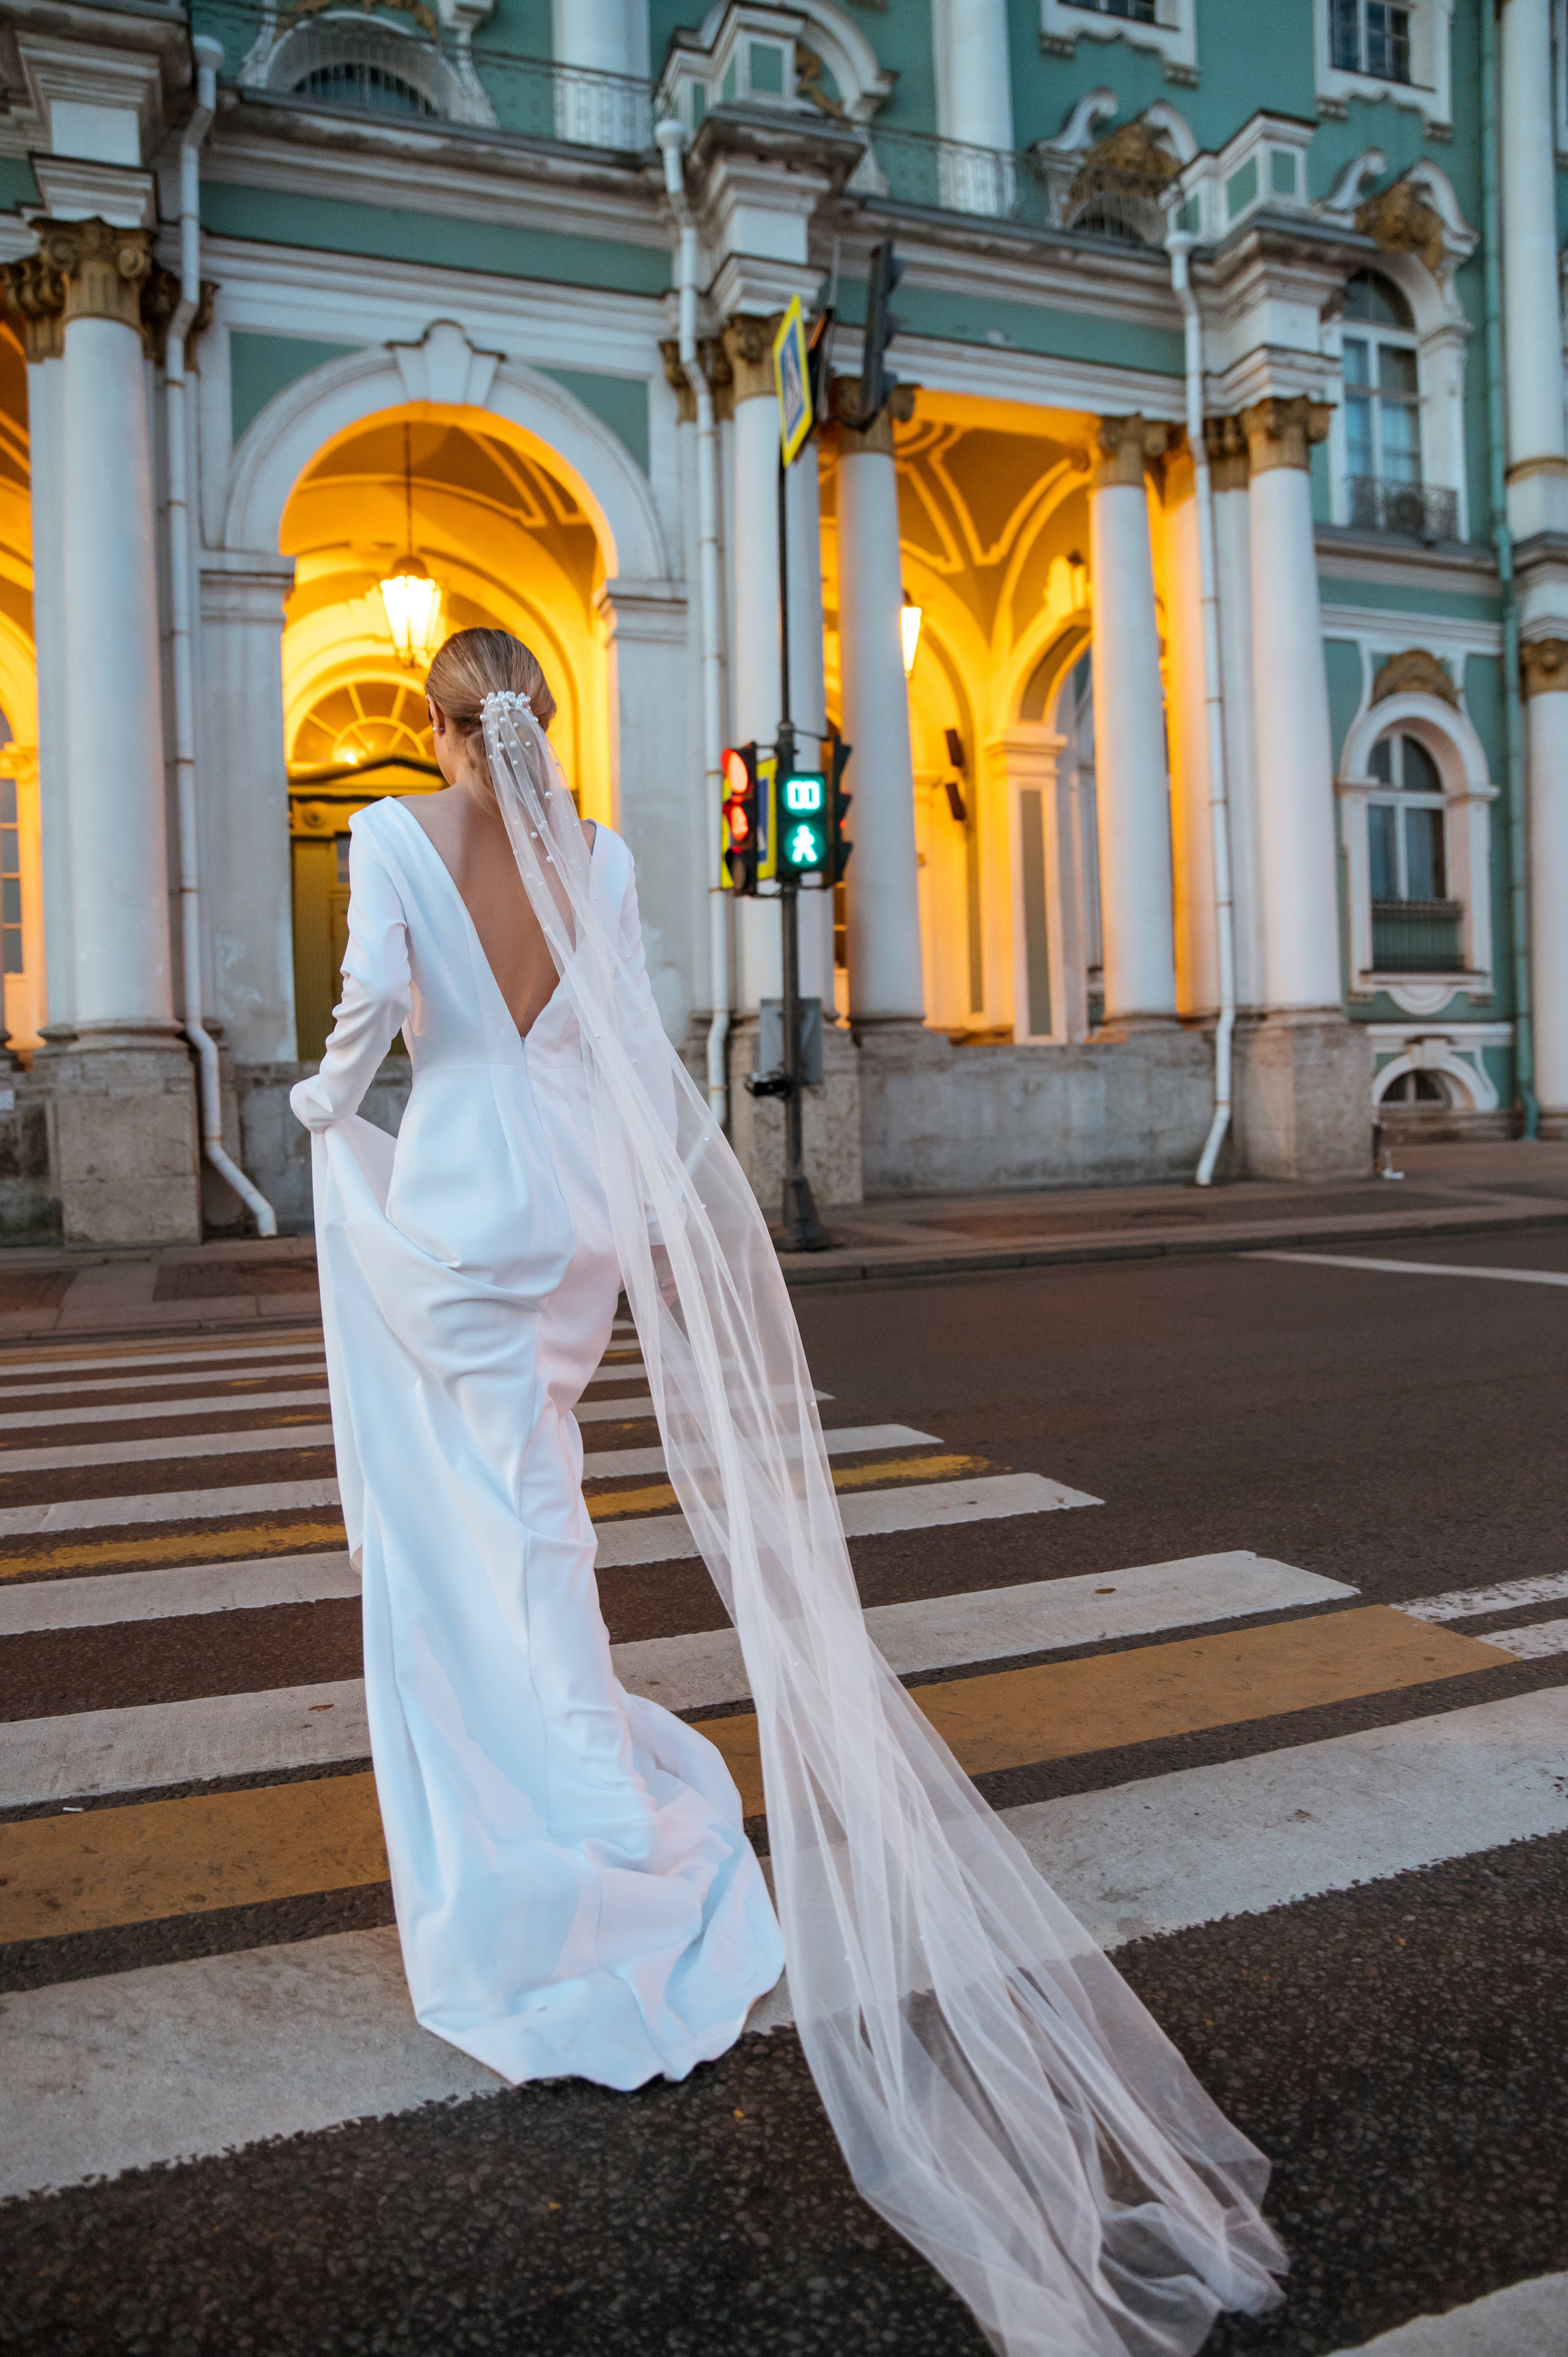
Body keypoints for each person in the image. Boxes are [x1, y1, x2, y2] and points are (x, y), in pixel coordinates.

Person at [294, 626, 1287, 2357]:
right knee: (536, 1492)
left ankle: (583, 1803)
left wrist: (317, 1109)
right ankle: (572, 1762)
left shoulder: (399, 837)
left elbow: (373, 1020)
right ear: (535, 715)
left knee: (499, 1513)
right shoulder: (591, 849)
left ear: (440, 728)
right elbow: (627, 1035)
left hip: (455, 1199)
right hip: (579, 1212)